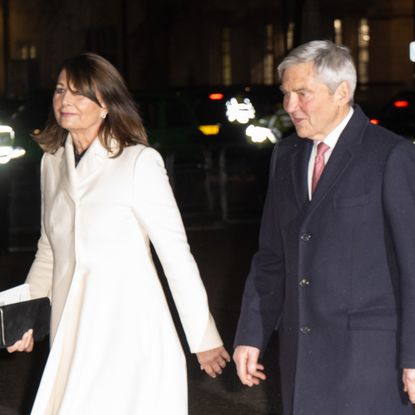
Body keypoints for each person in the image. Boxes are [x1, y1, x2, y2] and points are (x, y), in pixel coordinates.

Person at [7, 52, 230, 414]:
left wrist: (202, 335)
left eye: (80, 93)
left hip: (130, 330)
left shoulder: (138, 162)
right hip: (72, 329)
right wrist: (26, 317)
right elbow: (49, 250)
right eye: (61, 90)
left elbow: (175, 254)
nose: (65, 100)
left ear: (106, 104)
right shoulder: (51, 164)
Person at [233, 40, 415, 414]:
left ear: (342, 92)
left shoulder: (390, 155)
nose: (289, 107)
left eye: (302, 94)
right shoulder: (285, 156)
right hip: (301, 357)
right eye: (286, 94)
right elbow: (271, 256)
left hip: (371, 363)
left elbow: (412, 265)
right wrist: (252, 334)